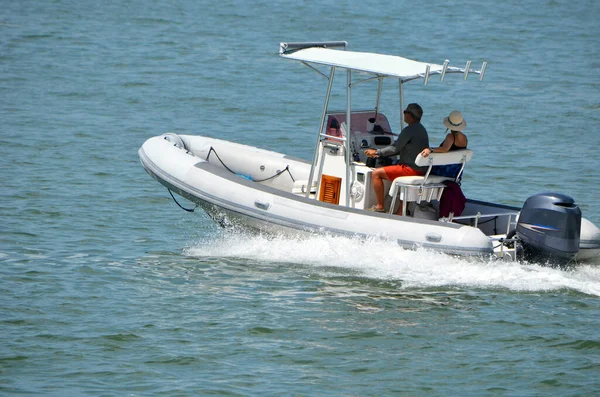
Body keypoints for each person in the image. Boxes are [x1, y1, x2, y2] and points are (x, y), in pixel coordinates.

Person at [364, 103, 429, 213]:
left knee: (376, 173)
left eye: (405, 112)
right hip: (421, 170)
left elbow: (395, 149)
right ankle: (400, 212)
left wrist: (376, 152)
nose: (404, 114)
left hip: (410, 169)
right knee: (394, 165)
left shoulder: (409, 130)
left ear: (409, 115)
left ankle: (380, 206)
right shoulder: (422, 129)